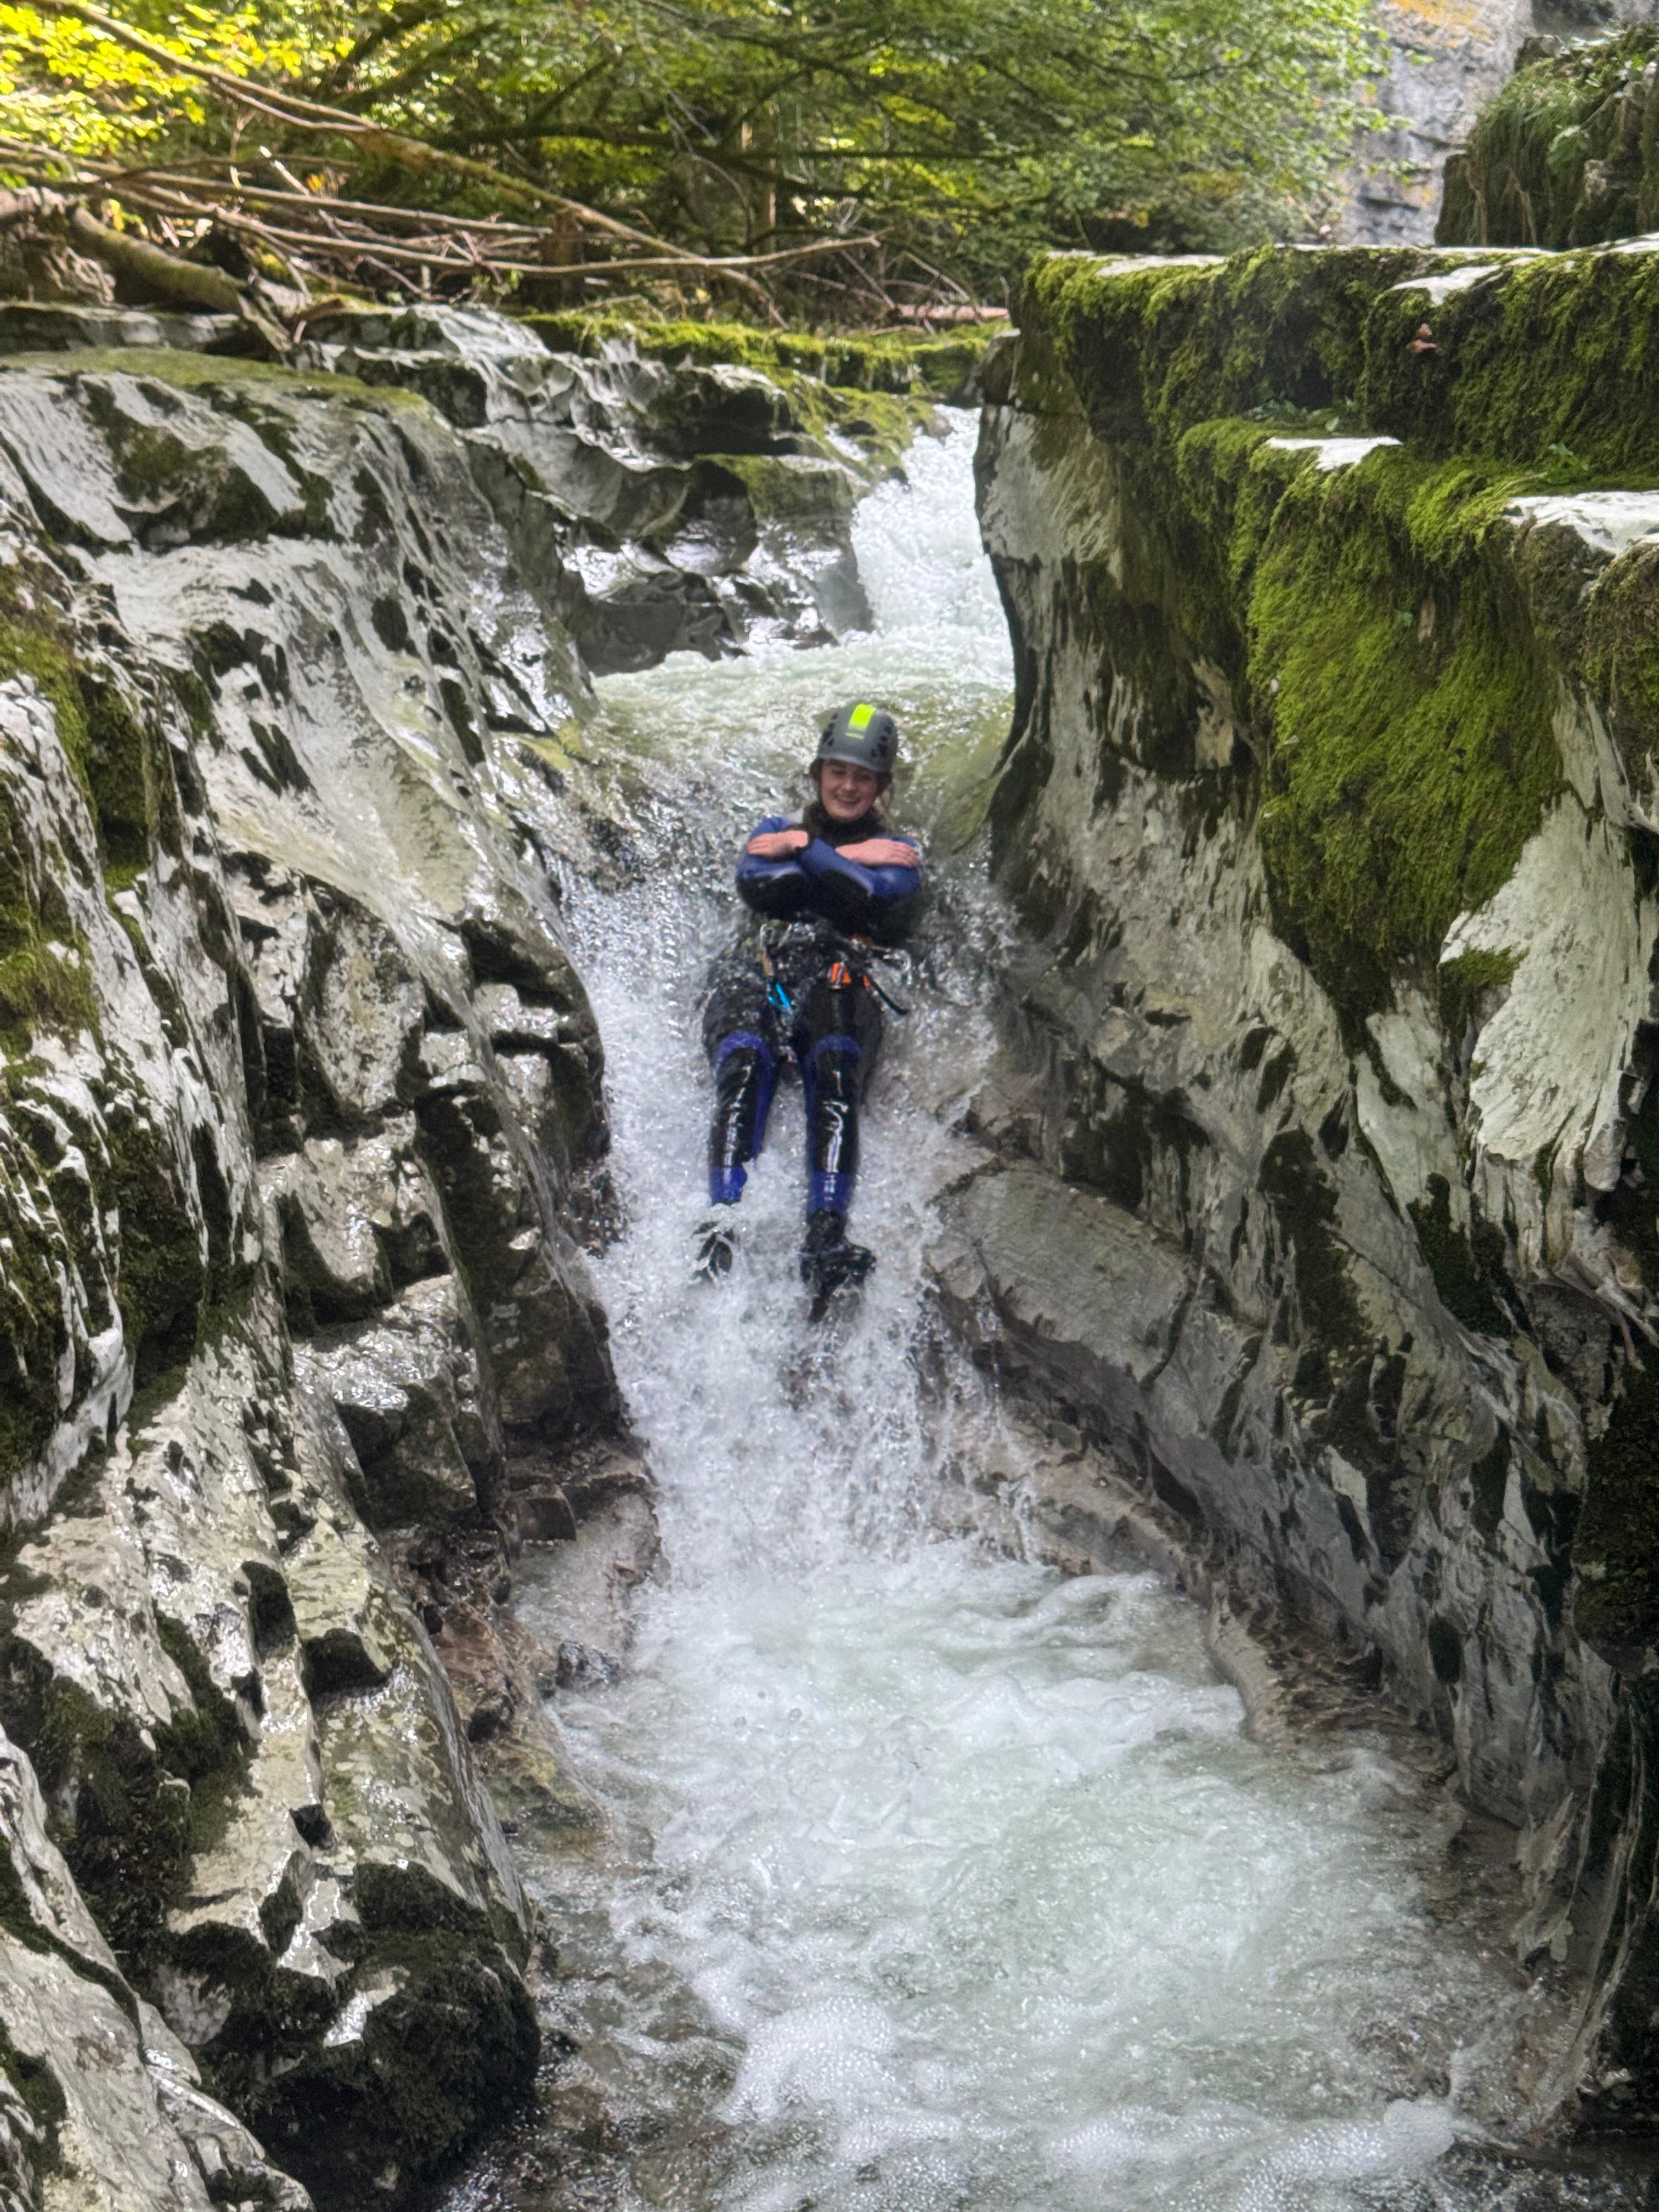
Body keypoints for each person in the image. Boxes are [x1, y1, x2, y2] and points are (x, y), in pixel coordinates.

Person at [697, 701, 923, 1311]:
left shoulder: (898, 853)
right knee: (744, 1066)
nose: (848, 787)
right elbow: (760, 884)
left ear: (881, 786)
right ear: (818, 773)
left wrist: (808, 850)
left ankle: (826, 1233)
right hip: (763, 969)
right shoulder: (775, 827)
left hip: (840, 981)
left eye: (863, 777)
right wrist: (830, 852)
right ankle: (722, 1219)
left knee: (836, 1075)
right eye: (838, 773)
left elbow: (865, 894)